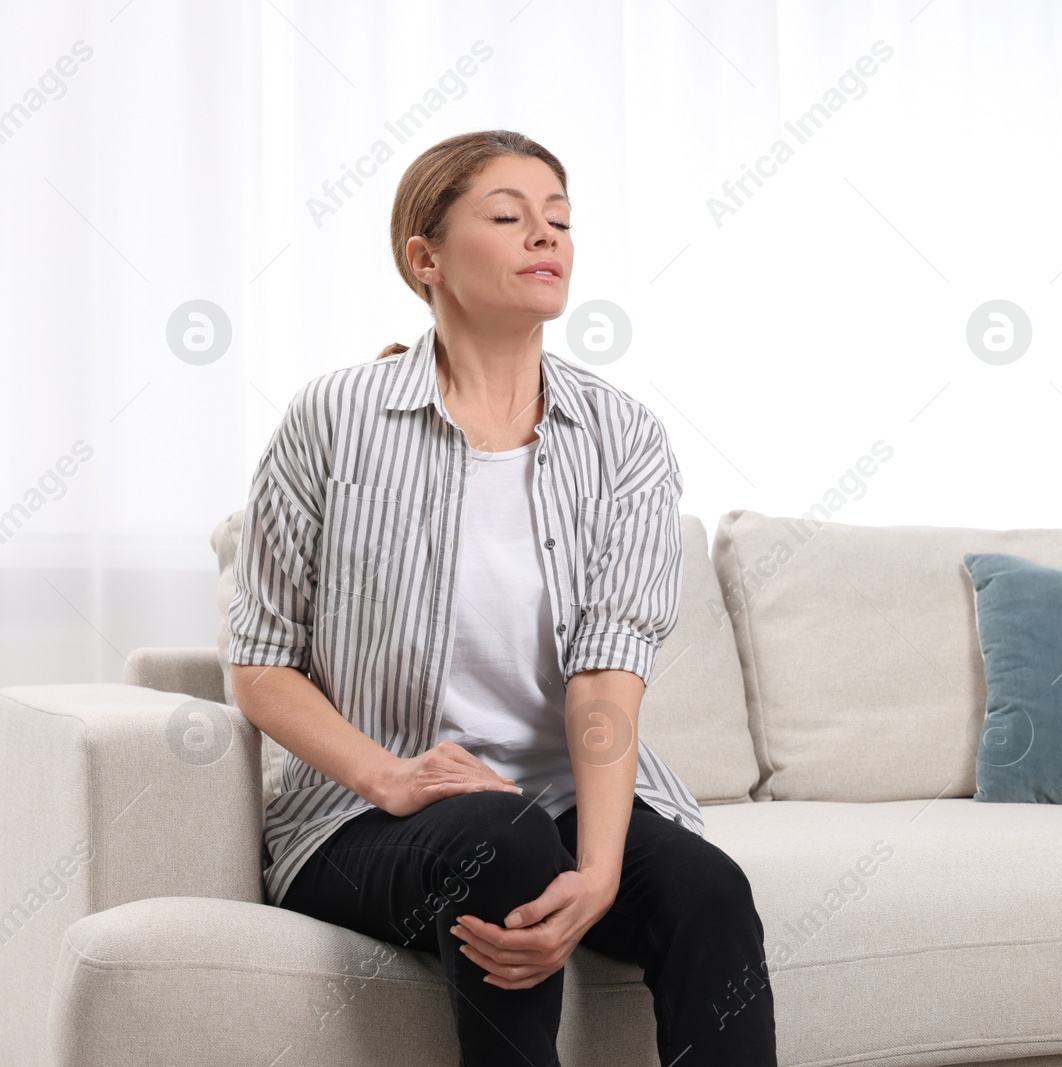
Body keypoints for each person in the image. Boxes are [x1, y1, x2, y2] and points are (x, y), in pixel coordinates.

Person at [227, 129, 778, 1067]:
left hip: (566, 803)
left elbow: (608, 678)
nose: (546, 237)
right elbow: (261, 663)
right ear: (426, 257)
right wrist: (390, 775)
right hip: (367, 819)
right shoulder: (335, 418)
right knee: (502, 837)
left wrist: (600, 869)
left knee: (709, 892)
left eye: (559, 220)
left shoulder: (623, 437)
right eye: (509, 216)